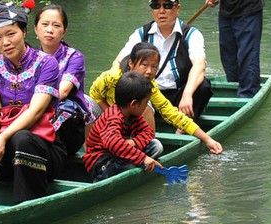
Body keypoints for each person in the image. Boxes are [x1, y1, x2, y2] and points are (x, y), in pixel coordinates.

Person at [0, 0, 68, 204]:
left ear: (23, 32)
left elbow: (37, 110)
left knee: (21, 138)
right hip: (6, 154)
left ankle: (27, 202)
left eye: (11, 34)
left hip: (44, 149)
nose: (5, 42)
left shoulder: (47, 63)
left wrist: (3, 138)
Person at [93, 42, 223, 154]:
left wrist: (207, 139)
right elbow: (94, 94)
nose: (149, 71)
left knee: (147, 108)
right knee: (88, 105)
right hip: (107, 118)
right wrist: (114, 115)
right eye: (144, 65)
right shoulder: (112, 77)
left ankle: (137, 150)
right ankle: (93, 151)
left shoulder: (149, 85)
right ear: (131, 64)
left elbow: (173, 114)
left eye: (154, 67)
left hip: (127, 122)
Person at [116, 0, 213, 121]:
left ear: (177, 8)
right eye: (156, 6)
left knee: (203, 86)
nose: (161, 11)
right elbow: (119, 61)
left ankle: (183, 127)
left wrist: (187, 94)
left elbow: (199, 65)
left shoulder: (192, 34)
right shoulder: (141, 33)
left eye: (167, 6)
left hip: (179, 95)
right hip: (148, 94)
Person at [33, 4, 96, 156]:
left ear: (64, 32)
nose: (50, 30)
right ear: (36, 29)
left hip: (68, 123)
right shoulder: (29, 58)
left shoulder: (74, 57)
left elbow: (63, 91)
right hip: (35, 112)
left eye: (56, 25)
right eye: (45, 24)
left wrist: (33, 110)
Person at [83, 71, 163, 181]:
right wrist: (143, 158)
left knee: (156, 145)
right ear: (134, 104)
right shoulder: (113, 117)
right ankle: (100, 180)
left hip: (121, 153)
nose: (146, 106)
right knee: (128, 166)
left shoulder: (135, 116)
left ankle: (137, 164)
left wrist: (134, 142)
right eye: (145, 103)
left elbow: (148, 132)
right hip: (101, 160)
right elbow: (114, 144)